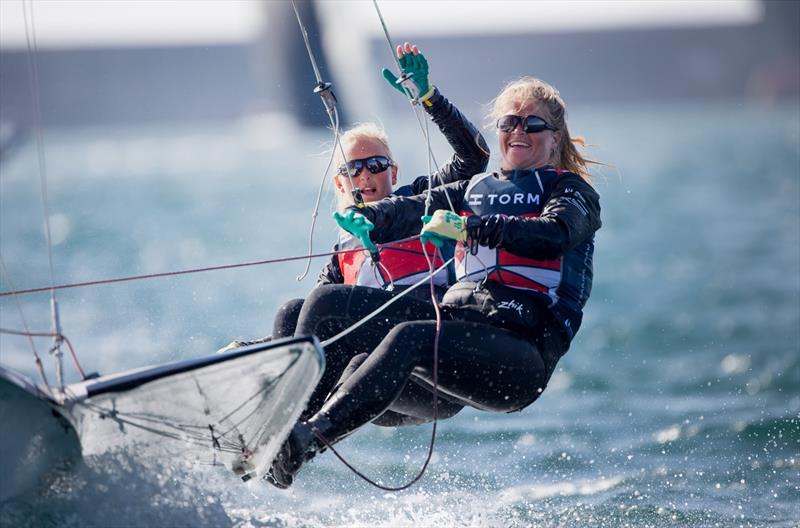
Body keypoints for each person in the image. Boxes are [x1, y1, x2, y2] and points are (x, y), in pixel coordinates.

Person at [267, 75, 602, 489]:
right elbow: (412, 207)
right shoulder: (477, 190)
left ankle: (301, 439)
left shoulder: (572, 192)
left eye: (531, 124)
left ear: (554, 138)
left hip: (520, 353)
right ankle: (279, 436)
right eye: (508, 122)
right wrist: (371, 217)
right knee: (325, 314)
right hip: (460, 328)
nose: (518, 131)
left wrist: (471, 229)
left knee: (408, 337)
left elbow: (555, 233)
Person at [251, 42, 489, 430]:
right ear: (339, 181)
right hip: (372, 382)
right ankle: (283, 438)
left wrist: (430, 99)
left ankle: (287, 420)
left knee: (327, 303)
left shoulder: (420, 200)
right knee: (292, 311)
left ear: (393, 172)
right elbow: (310, 326)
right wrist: (258, 353)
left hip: (430, 370)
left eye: (376, 165)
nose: (365, 176)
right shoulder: (344, 246)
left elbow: (474, 159)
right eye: (353, 168)